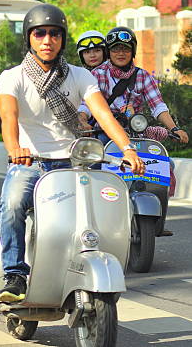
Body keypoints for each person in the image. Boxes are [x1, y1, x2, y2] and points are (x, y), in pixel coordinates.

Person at [0, 4, 146, 302]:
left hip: (74, 164)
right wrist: (15, 149)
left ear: (63, 39)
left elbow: (103, 115)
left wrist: (127, 148)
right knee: (12, 206)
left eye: (54, 33)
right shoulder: (12, 77)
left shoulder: (79, 76)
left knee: (103, 210)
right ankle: (14, 275)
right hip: (31, 163)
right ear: (30, 38)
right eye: (40, 33)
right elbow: (8, 118)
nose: (47, 40)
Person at [78, 26, 189, 236]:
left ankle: (157, 221)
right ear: (109, 52)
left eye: (126, 49)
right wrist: (83, 120)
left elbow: (158, 106)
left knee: (166, 165)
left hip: (136, 135)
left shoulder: (143, 76)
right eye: (116, 49)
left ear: (133, 51)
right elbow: (85, 105)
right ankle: (90, 219)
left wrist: (174, 128)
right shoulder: (98, 74)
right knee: (92, 169)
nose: (121, 53)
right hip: (104, 134)